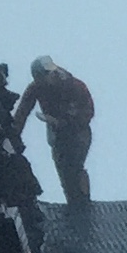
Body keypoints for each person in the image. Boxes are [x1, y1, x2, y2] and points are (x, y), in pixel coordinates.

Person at [10, 56, 95, 209]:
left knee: (75, 166)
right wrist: (13, 136)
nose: (51, 76)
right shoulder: (36, 88)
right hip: (57, 135)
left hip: (79, 133)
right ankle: (73, 204)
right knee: (63, 170)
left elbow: (88, 112)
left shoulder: (75, 86)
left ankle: (85, 203)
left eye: (51, 73)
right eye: (45, 75)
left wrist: (63, 122)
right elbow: (22, 112)